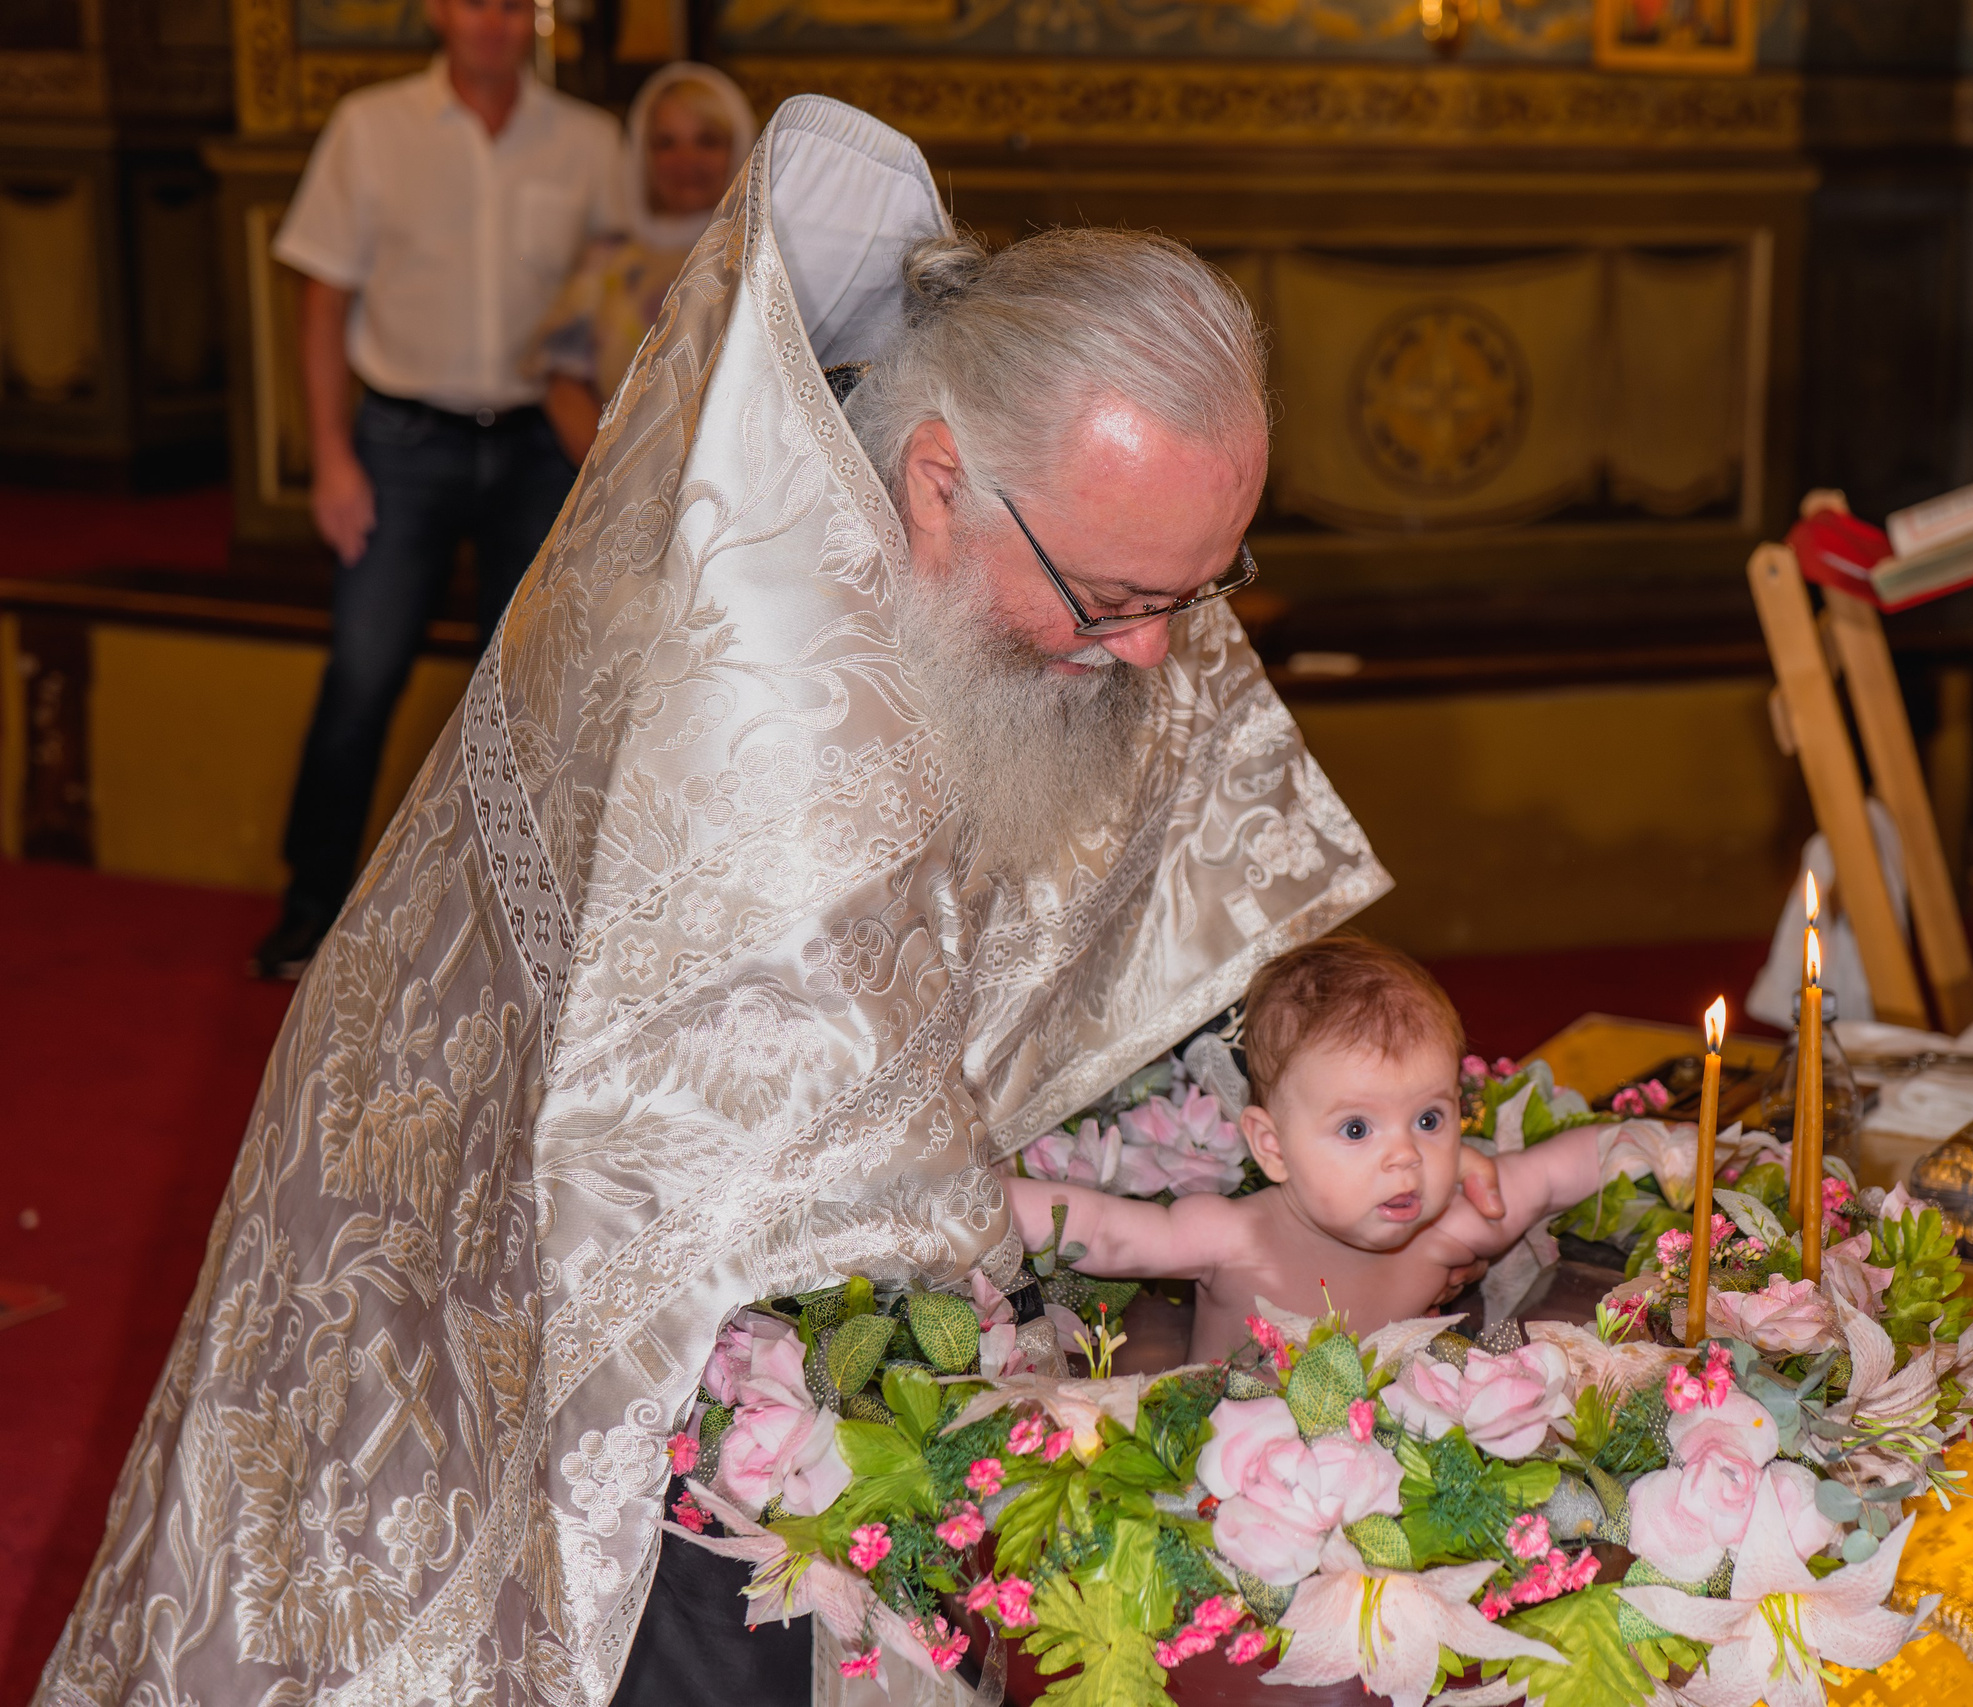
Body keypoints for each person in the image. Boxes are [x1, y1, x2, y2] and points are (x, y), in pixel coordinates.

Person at [40, 97, 1410, 1707]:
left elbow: (1138, 840)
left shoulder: (1029, 539)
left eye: (1205, 585)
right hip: (582, 1315)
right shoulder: (765, 708)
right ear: (936, 479)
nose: (1160, 650)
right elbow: (742, 1210)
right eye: (1119, 598)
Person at [251, 0, 621, 979]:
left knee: (525, 696)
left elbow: (626, 296)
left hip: (541, 445)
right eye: (471, 1)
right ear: (435, 11)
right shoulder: (371, 129)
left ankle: (508, 928)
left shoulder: (590, 142)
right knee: (363, 676)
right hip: (400, 444)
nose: (491, 22)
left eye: (510, 3)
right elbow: (320, 297)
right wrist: (331, 454)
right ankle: (310, 908)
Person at [1008, 936, 1600, 1363]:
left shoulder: (1449, 1231)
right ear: (1272, 1147)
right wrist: (974, 1200)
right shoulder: (1233, 1240)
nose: (1406, 1157)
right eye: (1356, 1130)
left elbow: (1550, 1176)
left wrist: (1666, 1147)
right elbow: (1101, 1227)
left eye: (1427, 1118)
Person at [533, 63, 756, 462]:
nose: (685, 159)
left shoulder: (767, 257)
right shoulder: (608, 259)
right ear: (641, 155)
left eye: (707, 140)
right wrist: (611, 484)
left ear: (739, 147)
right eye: (665, 143)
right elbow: (564, 383)